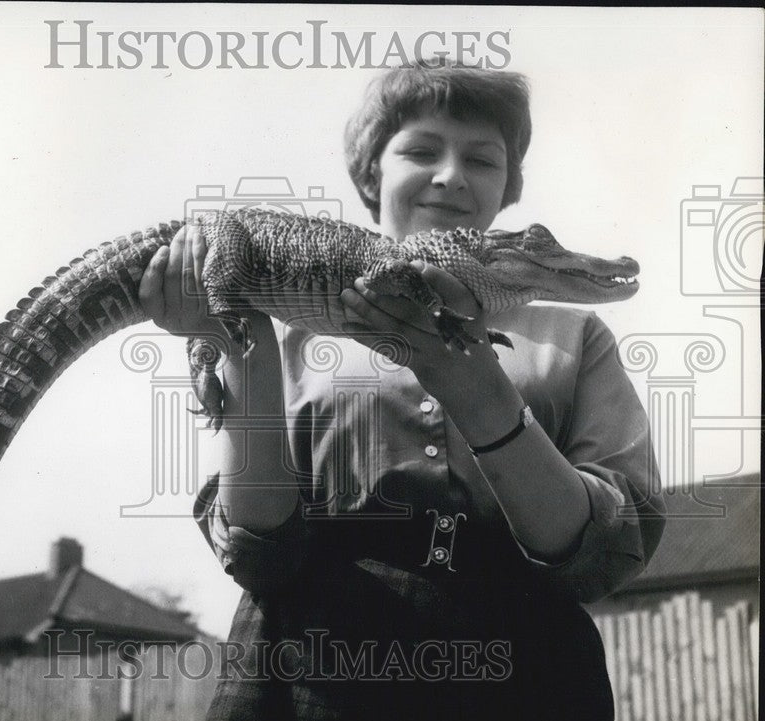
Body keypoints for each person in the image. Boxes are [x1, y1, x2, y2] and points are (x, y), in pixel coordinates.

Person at [139, 61, 665, 720]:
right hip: (312, 665)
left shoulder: (577, 336)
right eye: (421, 151)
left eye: (482, 158)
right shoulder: (289, 325)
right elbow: (260, 555)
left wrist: (480, 392)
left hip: (523, 666)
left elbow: (605, 555)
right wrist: (241, 338)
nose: (451, 175)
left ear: (509, 184)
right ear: (371, 173)